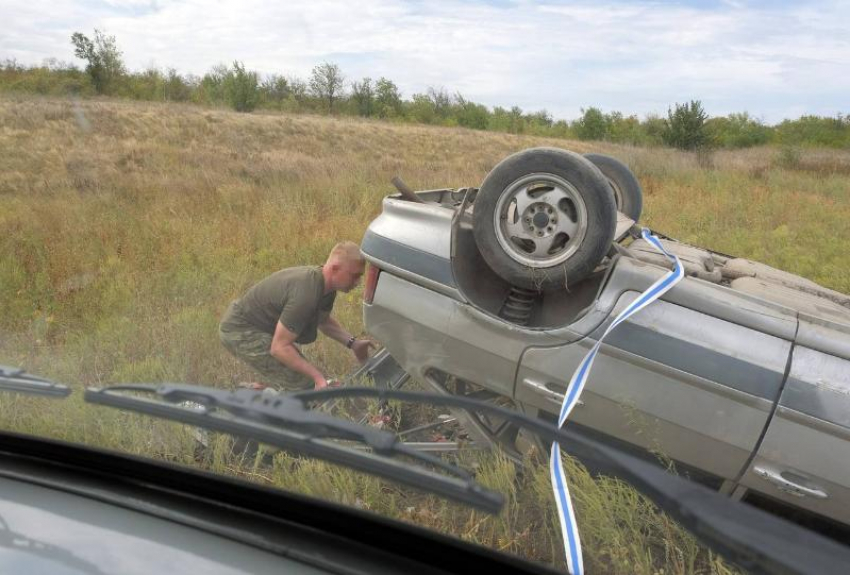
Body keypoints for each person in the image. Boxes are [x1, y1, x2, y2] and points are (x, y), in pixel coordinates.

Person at [219, 241, 374, 391]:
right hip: (240, 329)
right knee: (304, 386)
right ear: (335, 268)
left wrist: (353, 343)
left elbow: (324, 322)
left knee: (305, 380)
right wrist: (318, 379)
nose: (358, 282)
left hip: (261, 328)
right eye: (354, 276)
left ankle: (262, 393)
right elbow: (279, 348)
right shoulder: (306, 293)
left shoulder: (326, 287)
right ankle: (252, 398)